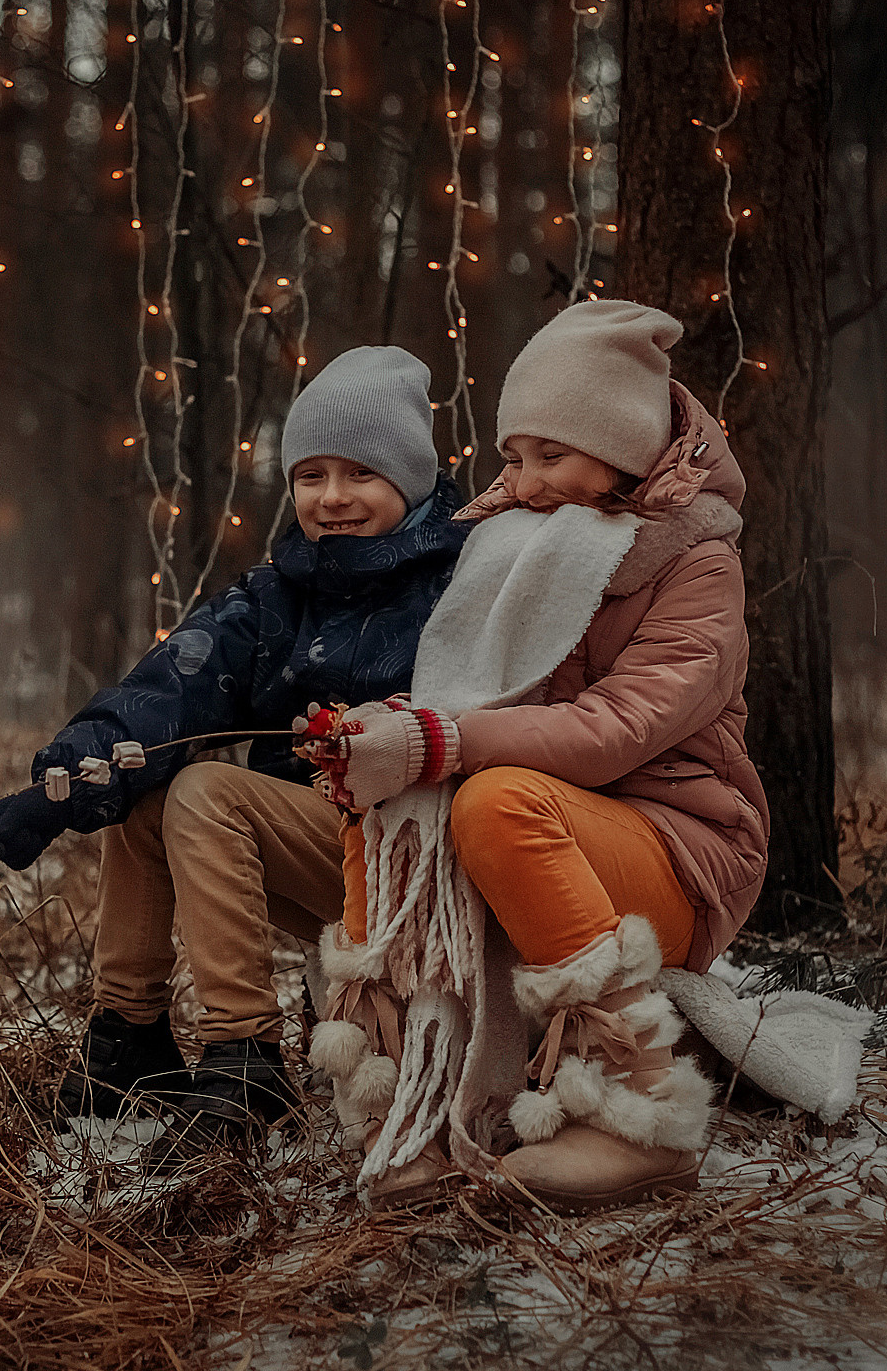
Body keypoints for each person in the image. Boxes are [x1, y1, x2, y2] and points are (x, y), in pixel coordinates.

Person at [305, 300, 768, 1210]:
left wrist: (439, 740)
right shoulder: (513, 546)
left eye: (550, 455)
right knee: (384, 805)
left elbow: (615, 728)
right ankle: (408, 1102)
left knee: (494, 800)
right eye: (513, 457)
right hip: (548, 826)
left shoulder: (698, 564)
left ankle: (640, 1120)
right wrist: (380, 736)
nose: (525, 482)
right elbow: (478, 696)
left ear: (624, 447)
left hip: (681, 851)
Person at [0, 346, 472, 1168]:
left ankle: (247, 1061)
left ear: (412, 478)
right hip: (322, 856)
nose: (333, 496)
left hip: (416, 866)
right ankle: (127, 1038)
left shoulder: (460, 582)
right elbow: (170, 687)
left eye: (361, 472)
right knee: (146, 782)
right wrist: (65, 779)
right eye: (311, 475)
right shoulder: (278, 595)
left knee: (206, 788)